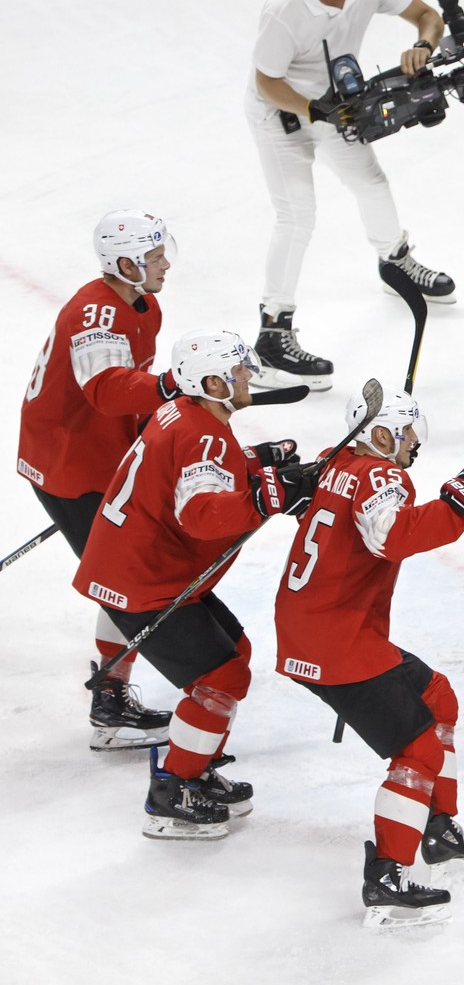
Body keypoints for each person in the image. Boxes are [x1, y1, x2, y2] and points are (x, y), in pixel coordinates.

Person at [274, 388, 464, 927]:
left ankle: (438, 828)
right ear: (380, 434)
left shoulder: (340, 464)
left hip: (321, 628)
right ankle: (387, 874)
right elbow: (391, 536)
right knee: (419, 750)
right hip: (336, 640)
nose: (415, 447)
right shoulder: (379, 475)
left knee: (437, 697)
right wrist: (461, 498)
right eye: (408, 436)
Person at [73, 331, 318, 840]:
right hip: (148, 580)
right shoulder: (204, 432)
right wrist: (266, 496)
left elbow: (190, 471)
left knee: (235, 652)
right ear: (212, 382)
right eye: (239, 373)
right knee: (222, 679)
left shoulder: (185, 414)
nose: (248, 377)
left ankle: (193, 766)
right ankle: (173, 792)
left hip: (138, 569)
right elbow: (202, 514)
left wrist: (257, 463)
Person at [247, 0, 456, 390]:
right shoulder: (286, 9)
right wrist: (311, 110)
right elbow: (266, 81)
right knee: (297, 214)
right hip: (280, 114)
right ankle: (272, 333)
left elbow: (429, 17)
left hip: (335, 108)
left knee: (371, 182)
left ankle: (394, 264)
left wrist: (423, 44)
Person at [17, 209, 180, 751]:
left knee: (123, 568)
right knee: (125, 576)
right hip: (69, 465)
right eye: (155, 257)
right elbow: (109, 391)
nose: (165, 265)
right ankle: (109, 702)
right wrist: (173, 386)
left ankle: (111, 689)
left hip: (95, 456)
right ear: (127, 262)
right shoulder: (98, 316)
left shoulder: (142, 304)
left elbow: (128, 392)